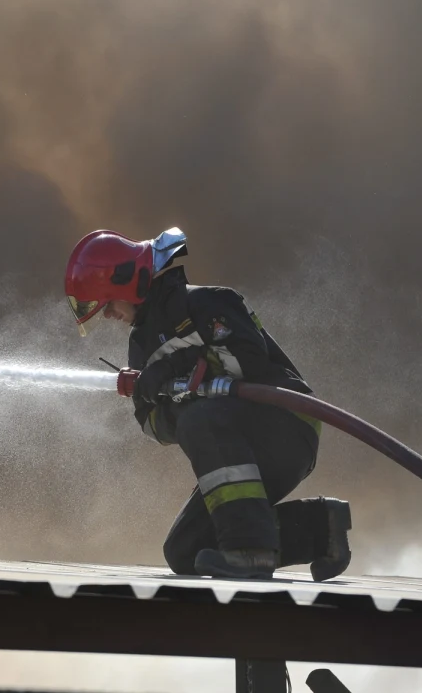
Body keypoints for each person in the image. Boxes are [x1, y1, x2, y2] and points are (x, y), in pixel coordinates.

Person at [64, 227, 352, 581]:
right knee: (185, 551)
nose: (108, 316)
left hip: (287, 425)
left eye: (107, 305)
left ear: (128, 285)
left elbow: (251, 364)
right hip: (233, 443)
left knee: (199, 420)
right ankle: (321, 529)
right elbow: (151, 424)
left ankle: (251, 551)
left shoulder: (209, 304)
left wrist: (175, 372)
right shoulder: (140, 350)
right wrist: (162, 397)